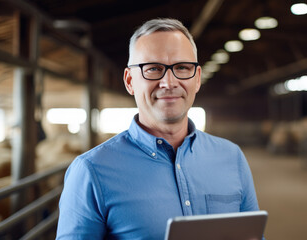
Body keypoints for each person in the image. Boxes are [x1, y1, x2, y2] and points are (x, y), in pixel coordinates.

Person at [56, 18, 261, 239]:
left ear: (197, 78)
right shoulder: (91, 171)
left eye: (182, 68)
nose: (169, 82)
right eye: (153, 68)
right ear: (130, 81)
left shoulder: (232, 158)